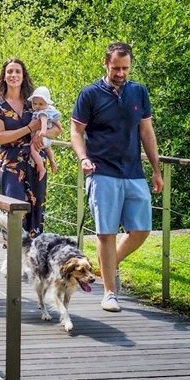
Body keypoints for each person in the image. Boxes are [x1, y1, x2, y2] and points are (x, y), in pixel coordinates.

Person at [71, 41, 163, 313]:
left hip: (134, 171)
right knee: (106, 233)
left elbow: (147, 132)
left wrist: (156, 170)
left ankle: (109, 265)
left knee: (142, 229)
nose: (121, 73)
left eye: (125, 68)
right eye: (116, 68)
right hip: (102, 171)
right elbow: (76, 132)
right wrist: (83, 158)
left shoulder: (139, 92)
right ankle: (110, 292)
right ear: (106, 64)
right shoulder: (89, 94)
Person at [0, 59, 62, 241]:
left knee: (36, 210)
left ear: (23, 76)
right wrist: (28, 129)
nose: (14, 75)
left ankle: (32, 263)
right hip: (10, 161)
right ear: (4, 76)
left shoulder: (34, 102)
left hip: (35, 160)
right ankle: (12, 260)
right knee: (14, 209)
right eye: (10, 72)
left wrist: (40, 135)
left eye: (17, 72)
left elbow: (58, 129)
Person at [27, 86, 61, 180]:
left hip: (43, 137)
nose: (37, 106)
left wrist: (41, 132)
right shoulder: (49, 111)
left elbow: (47, 124)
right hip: (46, 140)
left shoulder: (42, 113)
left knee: (33, 149)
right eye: (35, 104)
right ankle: (52, 160)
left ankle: (41, 168)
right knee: (48, 148)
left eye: (40, 104)